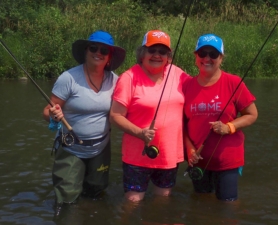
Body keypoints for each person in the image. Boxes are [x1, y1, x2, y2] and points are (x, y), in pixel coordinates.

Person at [43, 30, 126, 208]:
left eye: (104, 51)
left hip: (101, 148)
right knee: (66, 199)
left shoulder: (116, 81)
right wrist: (53, 114)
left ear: (109, 56)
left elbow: (124, 111)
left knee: (96, 193)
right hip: (71, 148)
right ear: (85, 51)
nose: (98, 53)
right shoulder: (68, 78)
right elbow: (47, 110)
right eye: (93, 48)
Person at [110, 30, 191, 202]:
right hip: (137, 155)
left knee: (162, 203)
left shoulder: (178, 74)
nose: (156, 55)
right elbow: (115, 116)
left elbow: (200, 90)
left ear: (168, 56)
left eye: (162, 52)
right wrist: (140, 133)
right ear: (142, 53)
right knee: (132, 203)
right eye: (152, 50)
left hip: (169, 155)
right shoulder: (129, 77)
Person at [183, 33, 258, 201]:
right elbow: (183, 125)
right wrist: (189, 150)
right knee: (201, 205)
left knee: (227, 206)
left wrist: (229, 127)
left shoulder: (233, 82)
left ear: (221, 58)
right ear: (196, 56)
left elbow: (252, 114)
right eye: (202, 53)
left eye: (213, 54)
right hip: (198, 160)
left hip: (227, 160)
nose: (207, 58)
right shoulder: (186, 85)